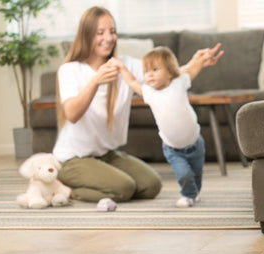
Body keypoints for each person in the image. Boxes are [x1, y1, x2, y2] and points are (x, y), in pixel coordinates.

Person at [52, 6, 222, 203]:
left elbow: (164, 78)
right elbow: (72, 114)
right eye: (100, 33)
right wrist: (95, 81)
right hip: (73, 159)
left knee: (151, 185)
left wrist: (196, 62)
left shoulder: (125, 65)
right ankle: (64, 189)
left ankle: (104, 180)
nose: (108, 38)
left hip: (107, 155)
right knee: (123, 188)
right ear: (86, 35)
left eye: (112, 31)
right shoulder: (70, 70)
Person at [111, 44, 222, 207]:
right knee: (184, 174)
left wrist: (202, 58)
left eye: (155, 69)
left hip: (196, 143)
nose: (149, 75)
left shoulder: (179, 83)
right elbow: (133, 82)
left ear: (170, 72)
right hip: (172, 148)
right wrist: (121, 67)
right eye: (146, 71)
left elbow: (192, 69)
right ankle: (187, 194)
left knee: (196, 174)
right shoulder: (149, 93)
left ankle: (194, 193)